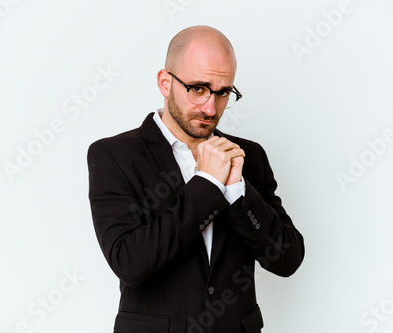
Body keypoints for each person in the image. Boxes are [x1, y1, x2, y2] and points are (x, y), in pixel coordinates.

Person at [87, 25, 305, 333]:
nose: (210, 107)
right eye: (198, 88)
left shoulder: (249, 156)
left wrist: (236, 190)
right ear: (165, 82)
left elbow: (287, 259)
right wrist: (207, 183)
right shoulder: (114, 156)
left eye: (223, 92)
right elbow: (130, 263)